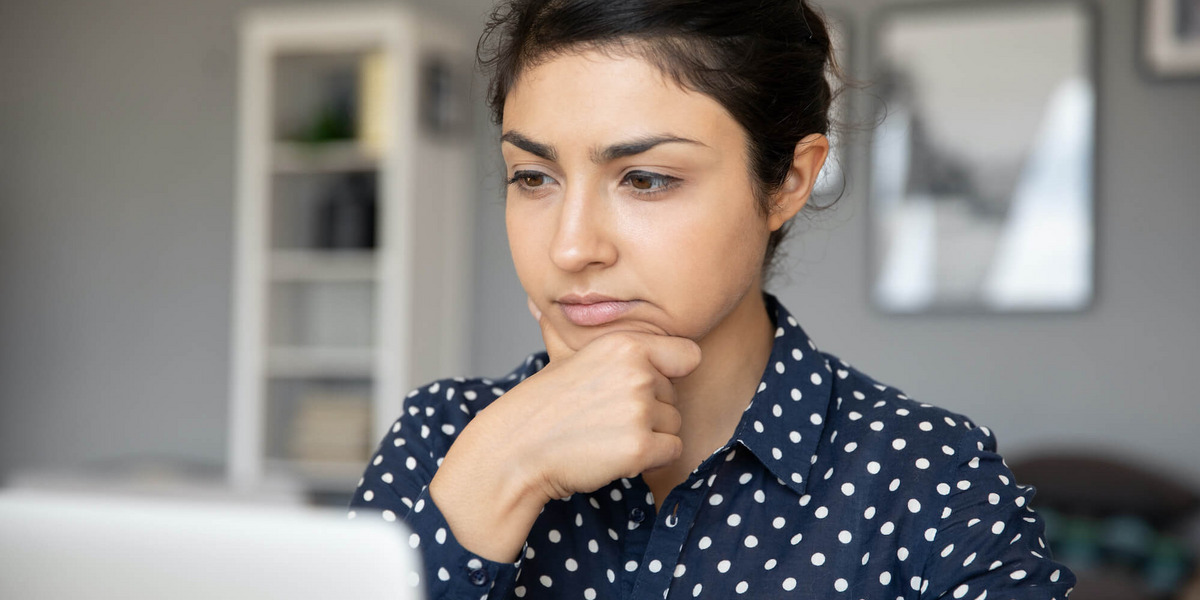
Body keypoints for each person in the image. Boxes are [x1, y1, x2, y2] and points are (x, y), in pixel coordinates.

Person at [350, 1, 1076, 598]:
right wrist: (500, 474)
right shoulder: (443, 440)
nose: (571, 248)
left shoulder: (930, 478)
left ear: (789, 180)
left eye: (647, 179)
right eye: (534, 177)